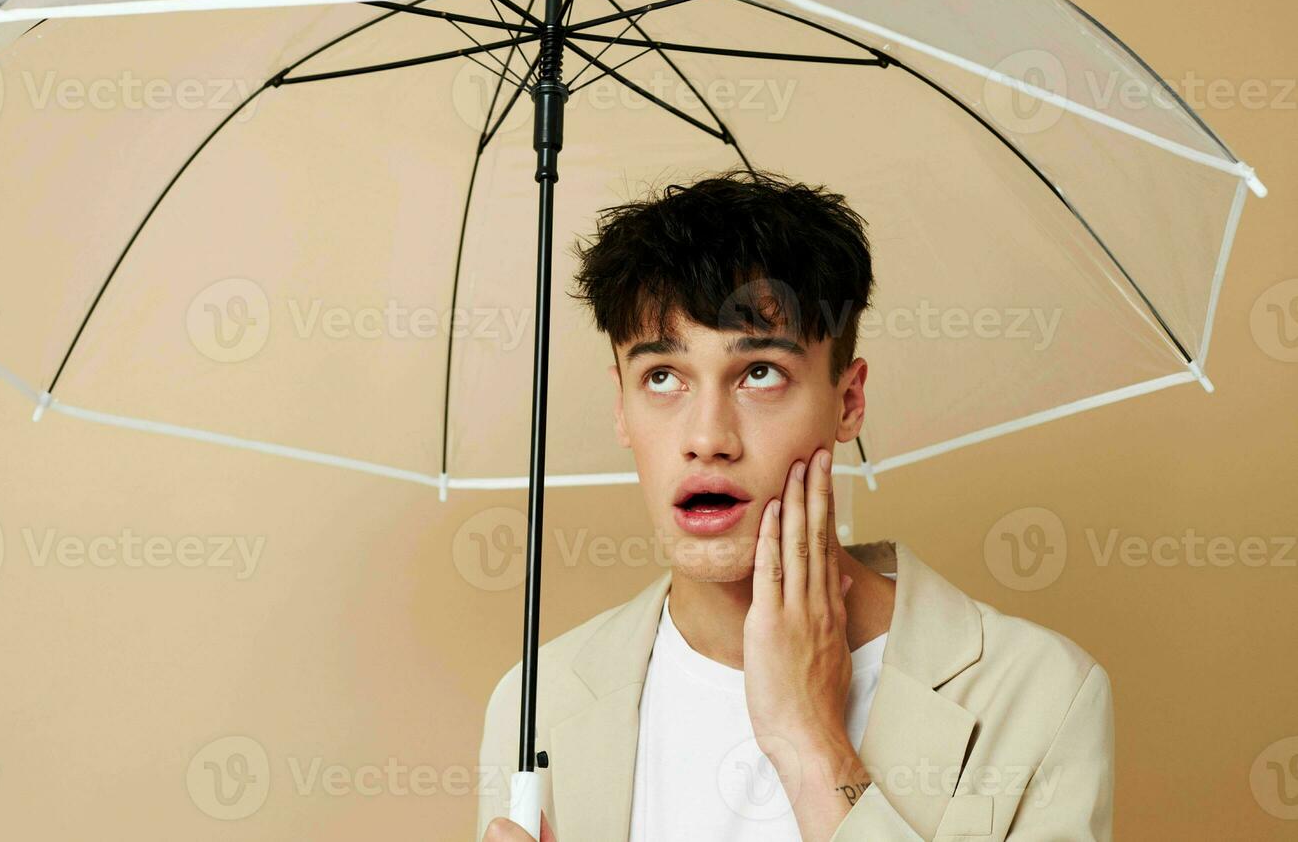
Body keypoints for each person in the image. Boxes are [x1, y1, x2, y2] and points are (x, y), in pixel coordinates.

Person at [476, 169, 1114, 841]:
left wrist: (811, 742)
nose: (706, 439)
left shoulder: (1041, 692)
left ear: (848, 400)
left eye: (759, 373)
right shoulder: (536, 705)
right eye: (662, 377)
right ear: (621, 409)